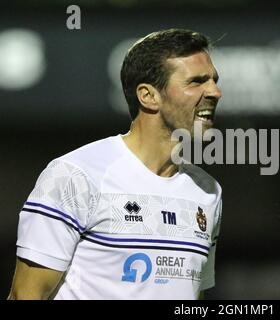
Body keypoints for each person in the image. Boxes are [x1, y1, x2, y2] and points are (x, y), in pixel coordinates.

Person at [8, 29, 223, 300]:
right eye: (197, 81)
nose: (215, 91)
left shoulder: (207, 191)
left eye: (214, 80)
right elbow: (25, 295)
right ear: (148, 96)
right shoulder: (75, 175)